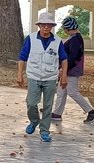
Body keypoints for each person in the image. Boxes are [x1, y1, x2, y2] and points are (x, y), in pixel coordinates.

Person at [16, 10, 68, 143]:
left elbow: (64, 59)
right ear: (39, 25)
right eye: (43, 24)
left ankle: (44, 131)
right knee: (31, 103)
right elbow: (22, 57)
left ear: (52, 27)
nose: (46, 27)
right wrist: (19, 74)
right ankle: (34, 121)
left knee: (48, 105)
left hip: (50, 78)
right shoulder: (31, 38)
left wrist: (64, 76)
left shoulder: (57, 41)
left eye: (49, 25)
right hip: (33, 76)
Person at [51, 16, 94, 130]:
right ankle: (57, 113)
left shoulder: (75, 39)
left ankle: (91, 112)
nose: (64, 30)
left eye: (65, 28)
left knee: (72, 92)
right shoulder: (74, 38)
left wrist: (64, 69)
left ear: (68, 28)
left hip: (72, 69)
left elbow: (72, 57)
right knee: (61, 91)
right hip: (69, 68)